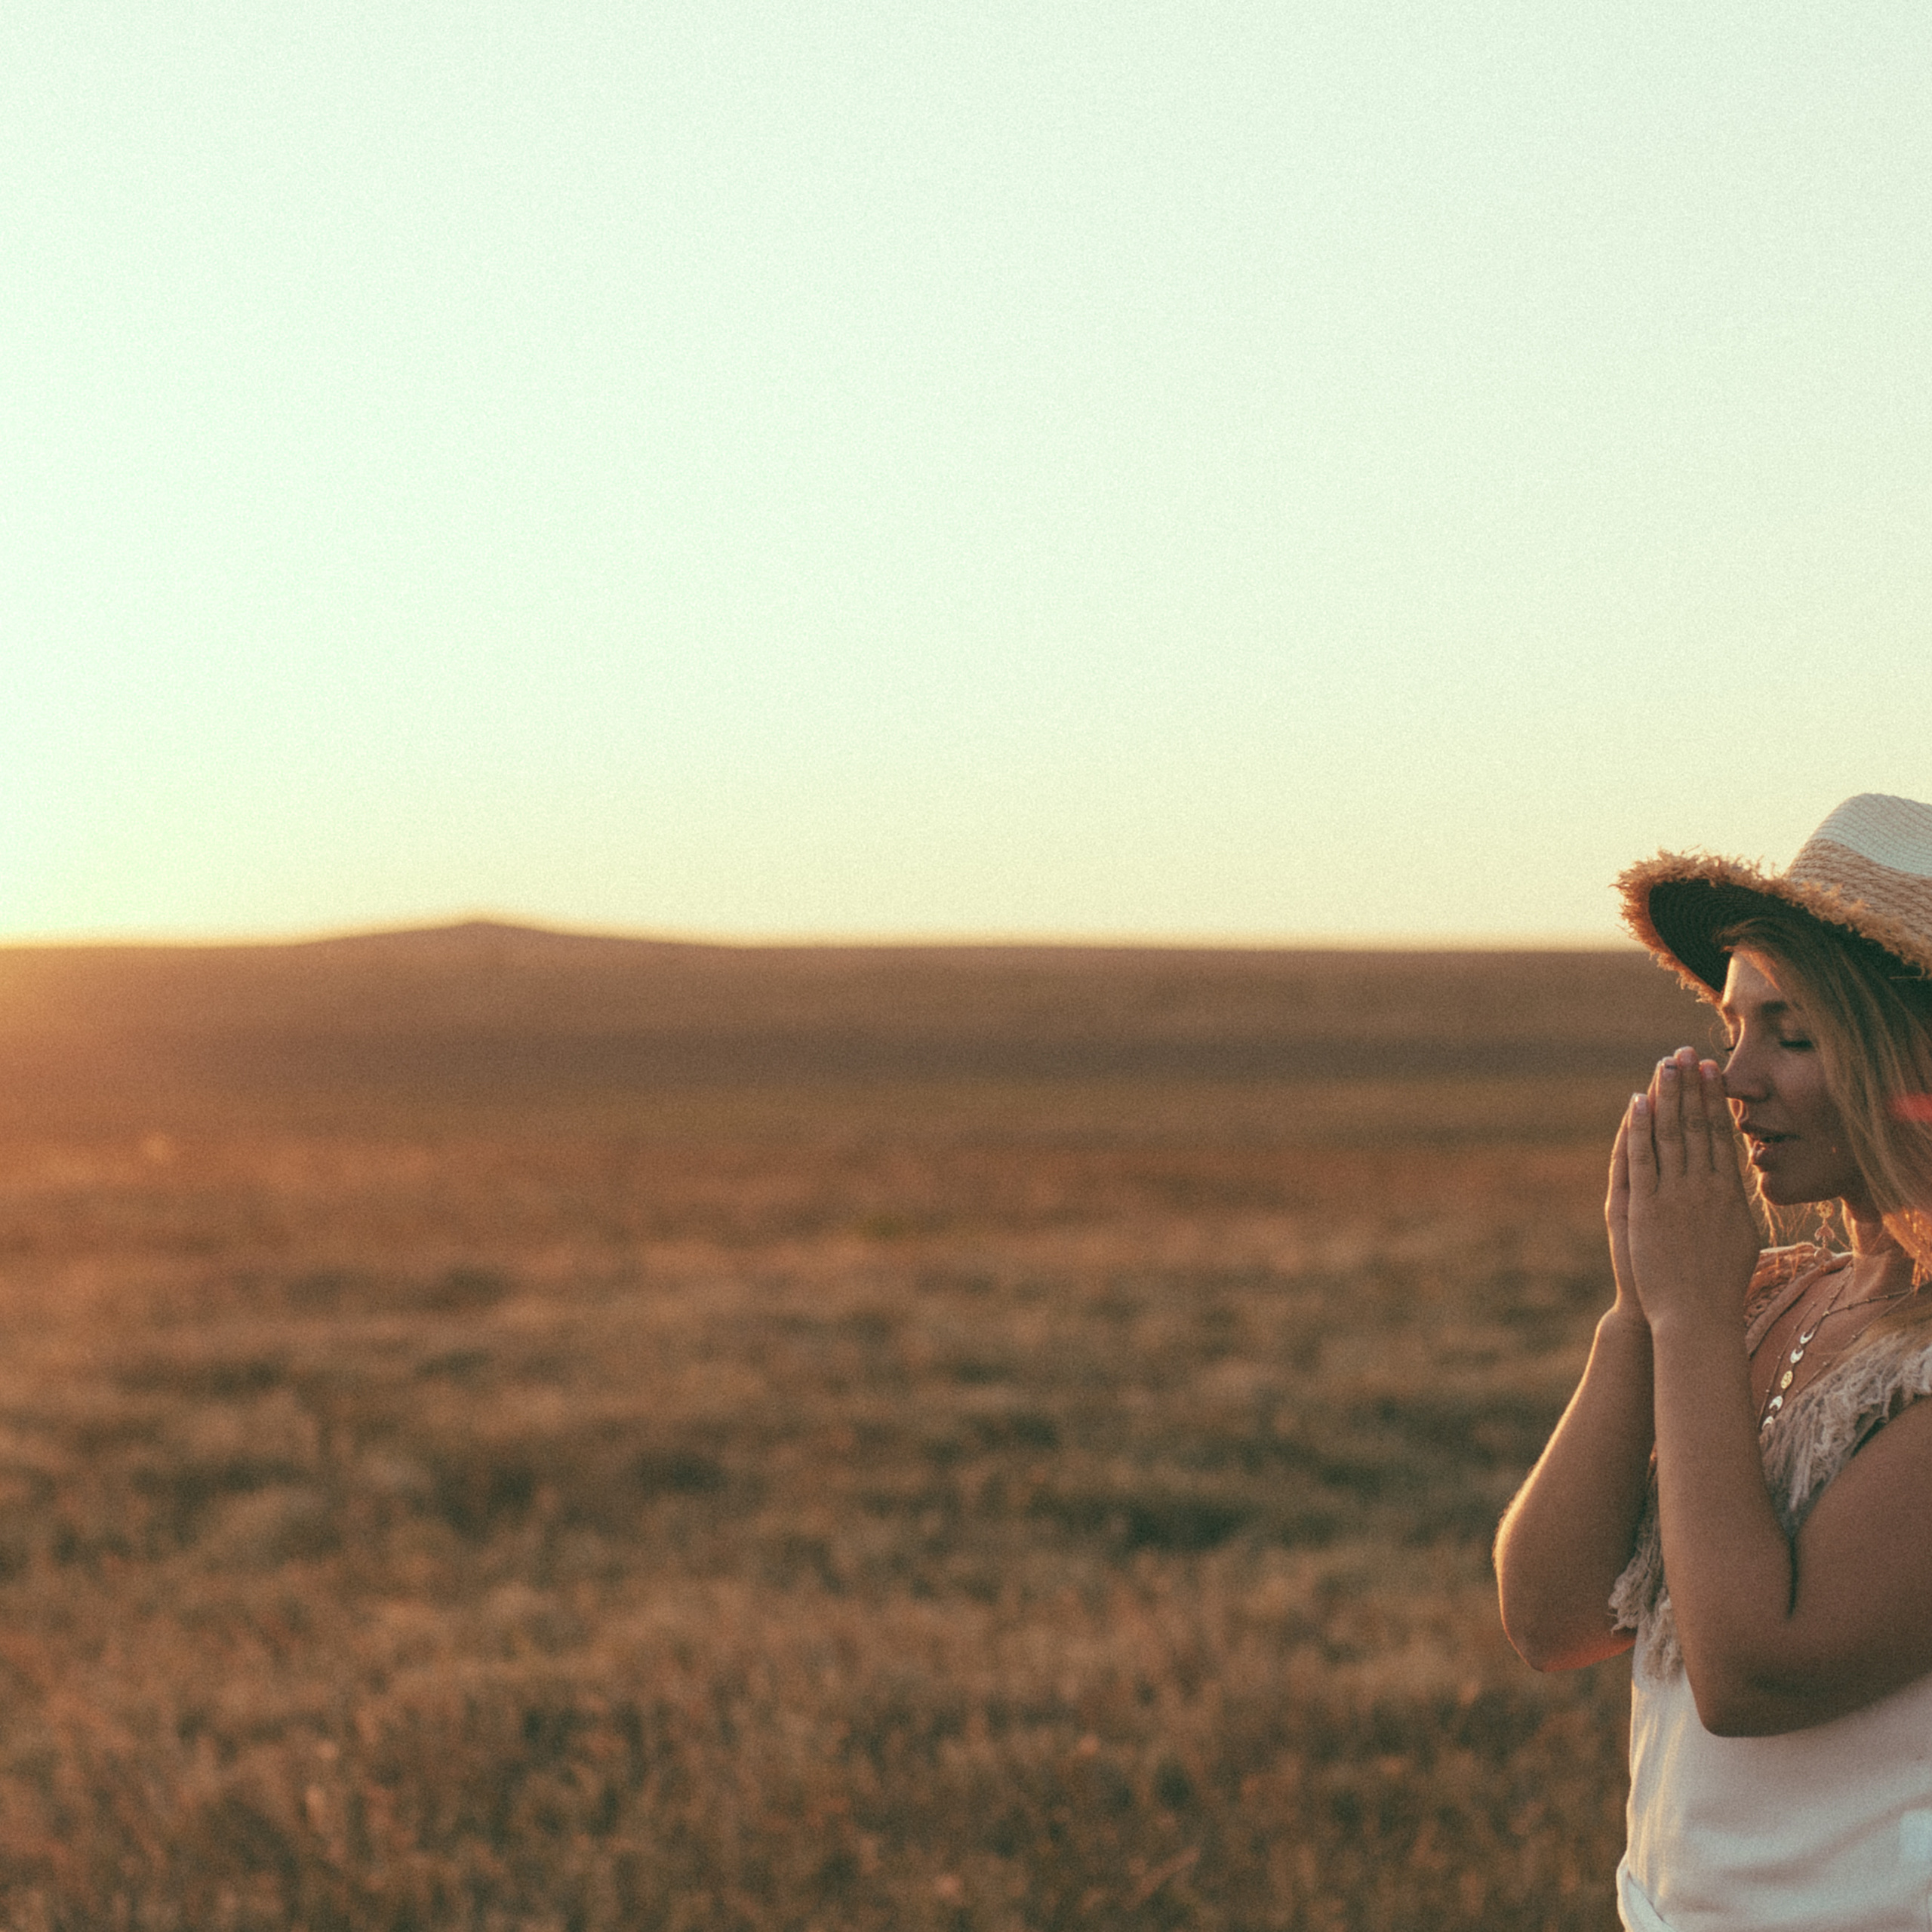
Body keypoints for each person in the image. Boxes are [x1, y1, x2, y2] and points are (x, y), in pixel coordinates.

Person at [1494, 792, 1932, 1932]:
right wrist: (1640, 1313)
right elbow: (1552, 1617)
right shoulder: (1776, 1299)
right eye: (1733, 1028)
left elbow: (1755, 1674)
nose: (1736, 1081)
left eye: (1792, 1036)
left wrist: (1690, 1319)